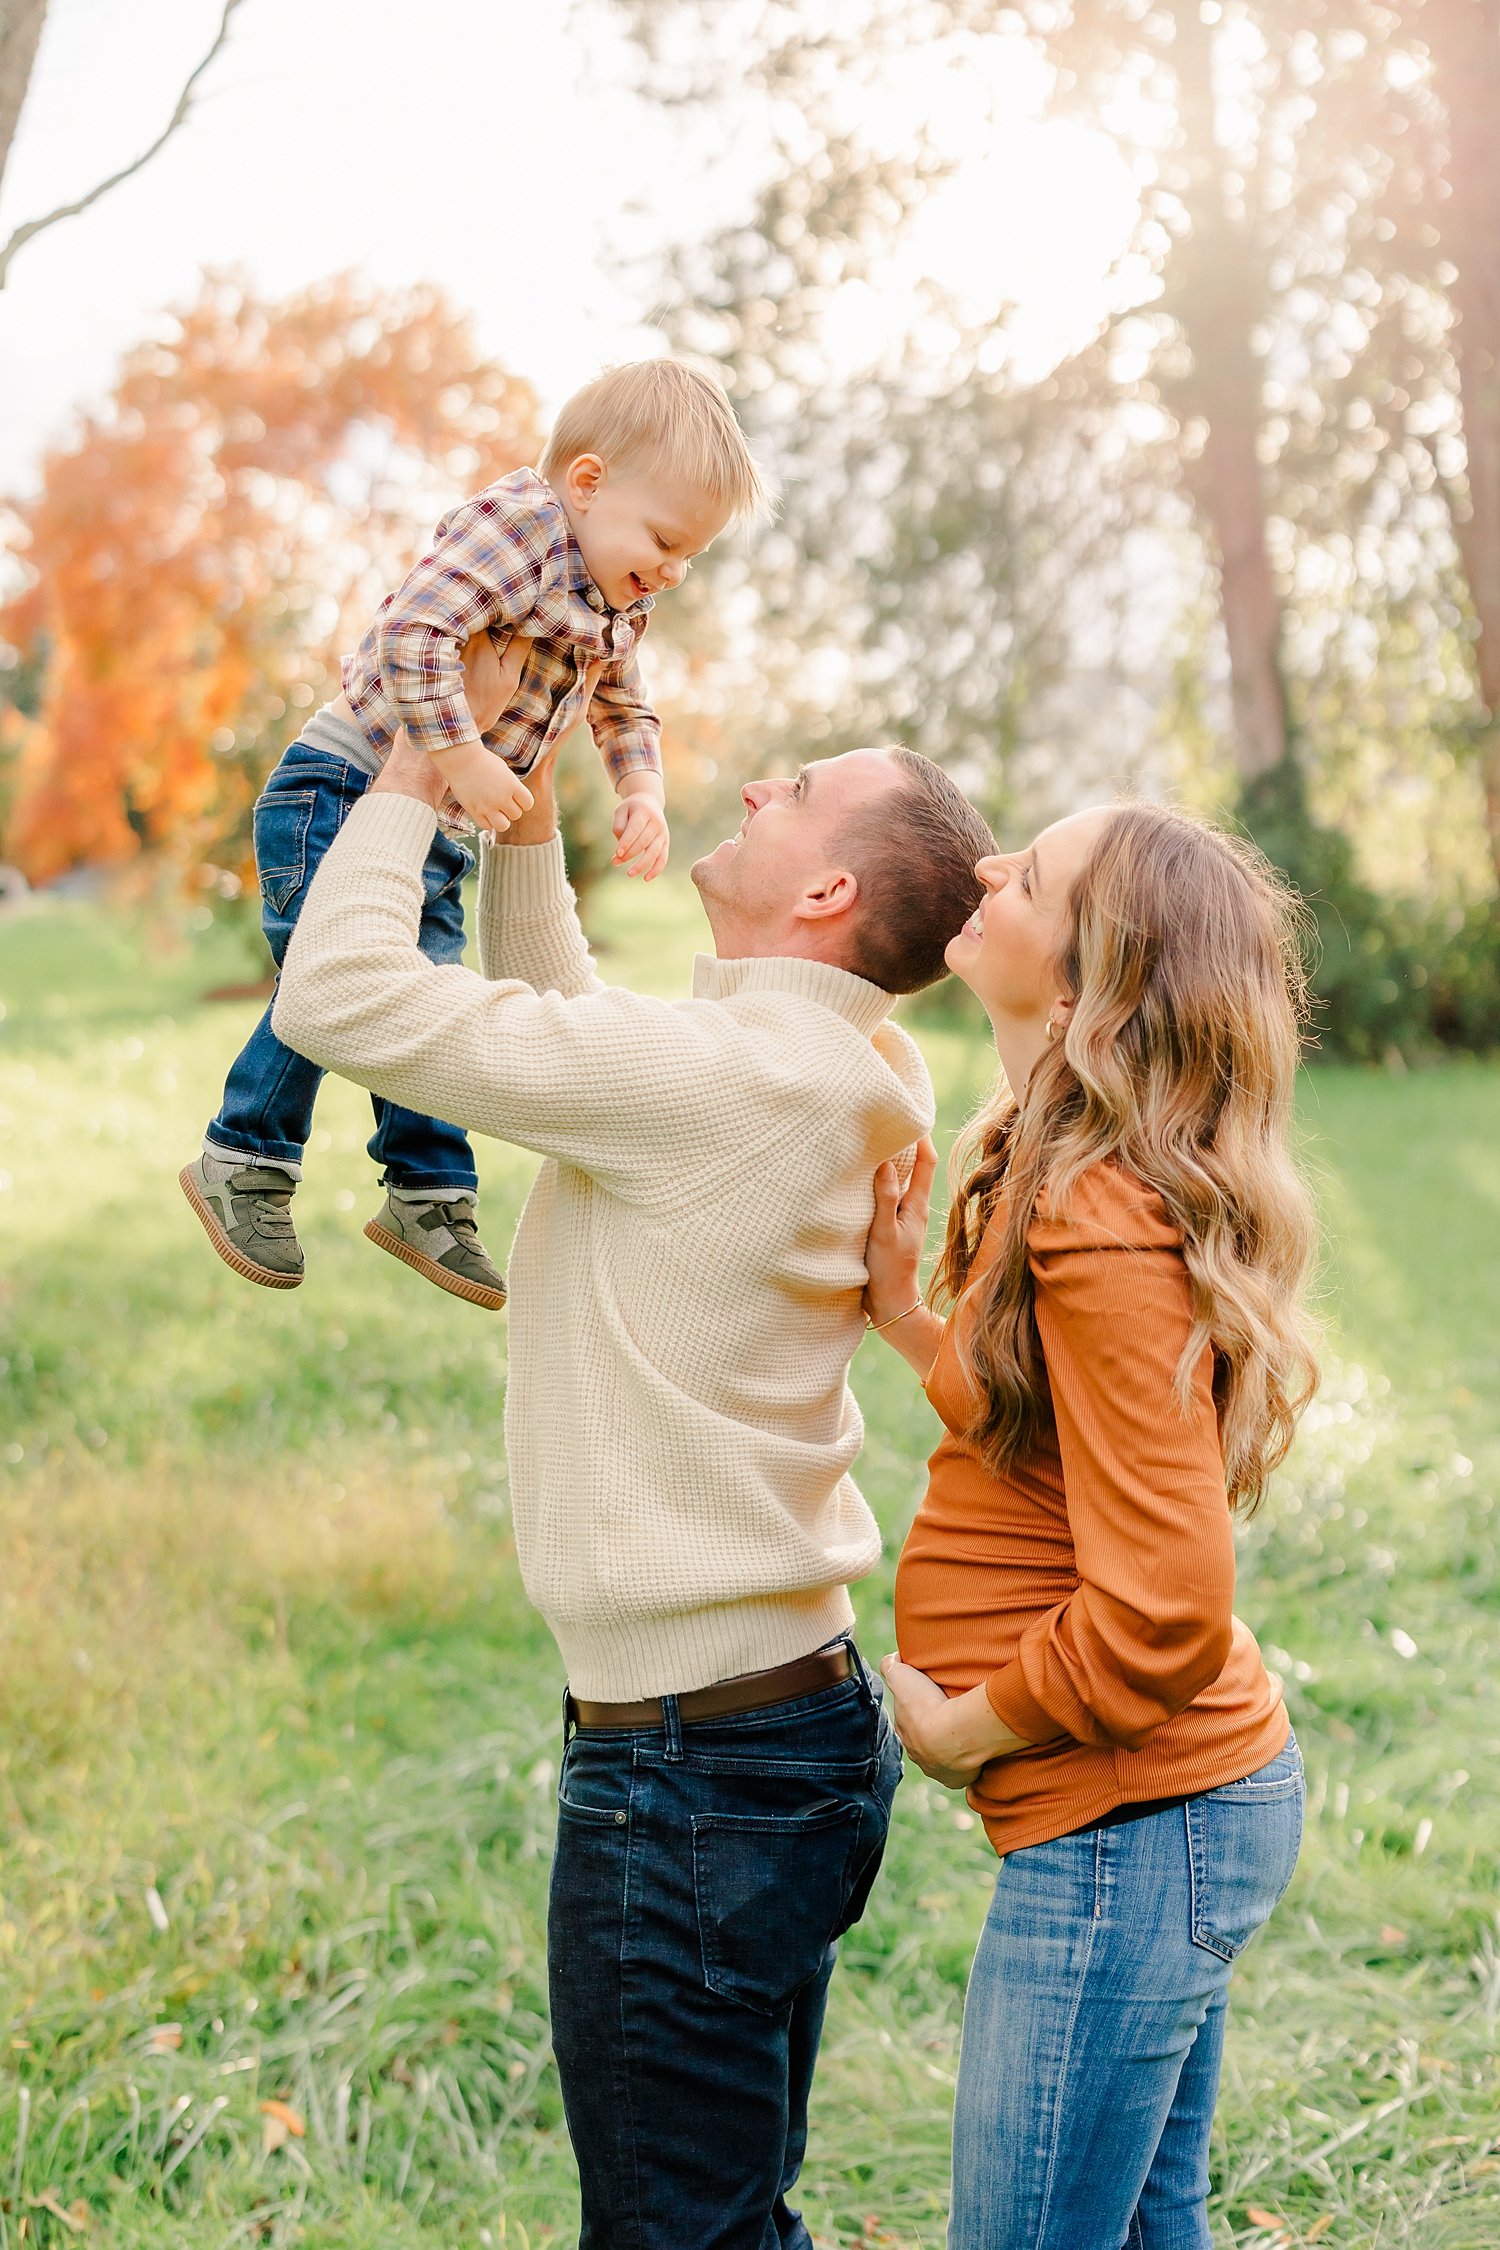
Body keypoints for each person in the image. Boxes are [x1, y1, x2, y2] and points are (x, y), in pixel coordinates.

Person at [269, 629, 998, 2250]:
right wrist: (525, 829)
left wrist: (408, 763)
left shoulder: (731, 1081)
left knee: (685, 2237)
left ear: (826, 900)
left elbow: (339, 994)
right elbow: (586, 1041)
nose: (755, 779)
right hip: (764, 1739)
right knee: (727, 2216)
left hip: (693, 1772)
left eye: (798, 790)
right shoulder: (812, 1067)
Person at [862, 802, 1319, 2250]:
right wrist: (903, 1317)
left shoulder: (1097, 1220)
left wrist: (968, 1728)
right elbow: (1027, 1423)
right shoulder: (1052, 1166)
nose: (989, 866)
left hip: (1140, 1817)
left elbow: (1168, 1610)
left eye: (1030, 875)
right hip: (1156, 1816)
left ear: (1082, 987)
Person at [181, 359, 767, 1309]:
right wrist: (458, 755)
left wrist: (642, 790)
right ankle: (242, 1156)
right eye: (664, 540)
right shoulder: (520, 528)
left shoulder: (619, 587)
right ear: (587, 482)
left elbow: (623, 700)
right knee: (333, 981)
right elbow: (415, 629)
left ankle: (427, 1189)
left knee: (426, 995)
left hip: (436, 819)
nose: (670, 571)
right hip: (341, 786)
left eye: (688, 556)